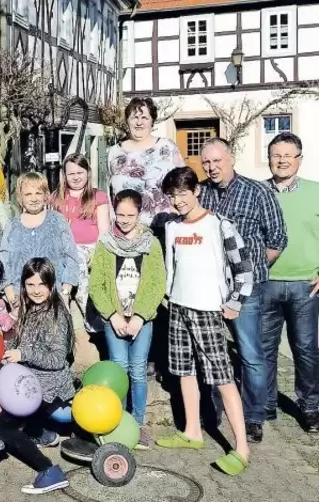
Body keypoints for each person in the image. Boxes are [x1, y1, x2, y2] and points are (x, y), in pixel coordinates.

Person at [156, 166, 252, 475]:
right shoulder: (172, 227)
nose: (178, 201)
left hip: (209, 310)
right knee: (184, 372)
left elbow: (244, 268)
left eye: (183, 193)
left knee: (222, 376)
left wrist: (236, 301)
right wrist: (167, 297)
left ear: (196, 191)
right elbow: (172, 267)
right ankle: (192, 431)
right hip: (179, 308)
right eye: (172, 196)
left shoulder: (219, 225)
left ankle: (241, 448)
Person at [198, 137, 287, 443]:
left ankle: (253, 417)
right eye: (206, 162)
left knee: (250, 353)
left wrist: (247, 270)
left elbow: (277, 239)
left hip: (247, 290)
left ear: (231, 159)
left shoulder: (257, 191)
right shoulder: (201, 192)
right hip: (209, 288)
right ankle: (214, 410)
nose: (211, 167)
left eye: (217, 161)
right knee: (212, 351)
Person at [88, 189, 165, 449]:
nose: (124, 219)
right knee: (118, 369)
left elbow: (157, 284)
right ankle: (117, 421)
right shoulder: (106, 243)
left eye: (130, 215)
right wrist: (112, 315)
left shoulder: (151, 244)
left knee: (138, 370)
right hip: (115, 319)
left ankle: (138, 423)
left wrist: (141, 316)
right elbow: (96, 284)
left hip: (141, 320)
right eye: (120, 214)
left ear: (139, 213)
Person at [0, 258, 74, 495]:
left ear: (51, 285)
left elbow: (57, 359)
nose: (36, 290)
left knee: (3, 427)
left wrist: (22, 354)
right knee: (17, 417)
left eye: (42, 284)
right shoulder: (30, 308)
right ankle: (44, 435)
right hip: (31, 379)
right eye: (30, 284)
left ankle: (49, 471)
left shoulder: (57, 315)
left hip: (49, 384)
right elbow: (25, 343)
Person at [261, 132, 319, 432]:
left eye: (288, 155)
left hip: (305, 285)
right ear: (269, 158)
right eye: (276, 155)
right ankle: (266, 405)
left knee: (306, 348)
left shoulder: (315, 191)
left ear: (299, 159)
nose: (282, 160)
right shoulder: (258, 192)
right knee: (264, 348)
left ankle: (310, 407)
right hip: (266, 283)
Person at [0, 172, 80, 310]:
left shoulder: (57, 220)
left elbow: (71, 257)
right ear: (20, 198)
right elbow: (3, 261)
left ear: (46, 195)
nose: (34, 198)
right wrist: (11, 296)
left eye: (38, 193)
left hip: (55, 298)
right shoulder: (12, 225)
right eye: (28, 194)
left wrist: (65, 293)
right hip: (22, 300)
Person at [107, 96, 186, 227]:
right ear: (127, 121)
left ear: (152, 122)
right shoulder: (114, 152)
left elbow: (184, 184)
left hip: (163, 228)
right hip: (126, 230)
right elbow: (107, 194)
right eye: (134, 118)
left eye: (144, 118)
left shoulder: (167, 148)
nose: (139, 123)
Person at [52, 153, 110, 327]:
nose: (76, 177)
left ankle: (91, 315)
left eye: (80, 172)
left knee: (76, 257)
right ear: (64, 175)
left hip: (89, 248)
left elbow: (104, 230)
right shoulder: (57, 197)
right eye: (71, 174)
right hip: (65, 249)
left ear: (87, 173)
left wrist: (100, 255)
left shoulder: (97, 196)